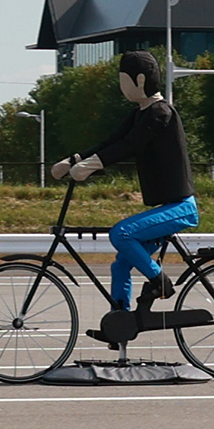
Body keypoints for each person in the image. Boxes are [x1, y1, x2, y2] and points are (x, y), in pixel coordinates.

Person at [51, 51, 197, 315]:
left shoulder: (161, 112)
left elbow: (131, 145)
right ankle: (119, 319)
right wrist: (73, 160)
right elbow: (112, 141)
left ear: (140, 80)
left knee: (121, 234)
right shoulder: (138, 114)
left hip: (181, 207)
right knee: (120, 265)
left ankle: (160, 281)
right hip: (167, 206)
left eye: (123, 81)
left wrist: (92, 166)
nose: (121, 87)